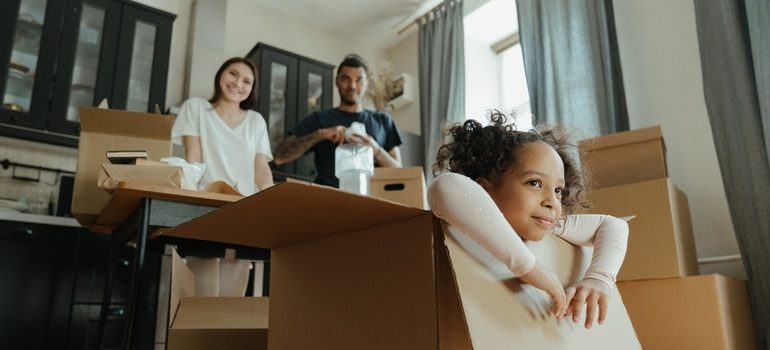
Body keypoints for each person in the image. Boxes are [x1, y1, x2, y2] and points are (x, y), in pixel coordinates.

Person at [427, 111, 628, 329]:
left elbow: (613, 224)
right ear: (484, 186)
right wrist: (528, 268)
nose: (552, 201)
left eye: (558, 190)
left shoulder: (548, 223)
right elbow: (444, 186)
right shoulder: (460, 211)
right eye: (534, 183)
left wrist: (599, 278)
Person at [171, 57, 273, 296]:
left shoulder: (256, 121)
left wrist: (271, 197)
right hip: (205, 206)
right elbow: (193, 158)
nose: (238, 83)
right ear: (220, 75)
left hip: (243, 208)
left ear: (252, 89)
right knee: (201, 284)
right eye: (233, 74)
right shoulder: (195, 108)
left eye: (247, 81)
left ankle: (222, 334)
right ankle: (193, 333)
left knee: (232, 291)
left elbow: (260, 167)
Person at [274, 54, 403, 187]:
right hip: (327, 200)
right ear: (337, 81)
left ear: (366, 83)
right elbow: (279, 156)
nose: (352, 86)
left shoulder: (383, 121)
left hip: (371, 201)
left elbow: (400, 174)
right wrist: (321, 135)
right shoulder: (319, 119)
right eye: (346, 79)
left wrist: (375, 149)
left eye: (359, 80)